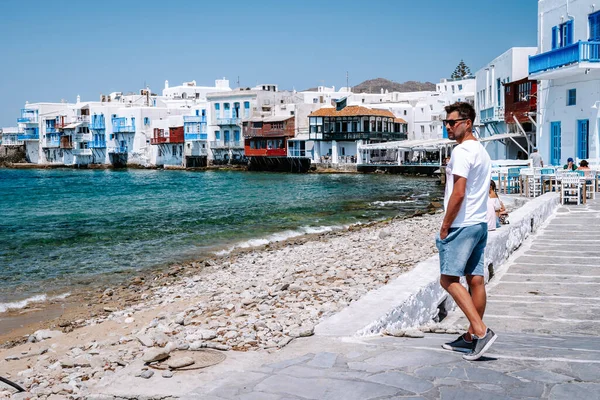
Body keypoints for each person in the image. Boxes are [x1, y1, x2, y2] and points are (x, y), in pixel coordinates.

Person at [437, 101, 497, 361]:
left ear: (467, 123)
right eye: (446, 123)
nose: (448, 127)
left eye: (452, 122)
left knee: (448, 279)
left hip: (462, 224)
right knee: (475, 279)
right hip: (479, 222)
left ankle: (482, 331)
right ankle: (472, 336)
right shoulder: (481, 151)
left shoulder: (462, 151)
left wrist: (445, 225)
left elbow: (459, 193)